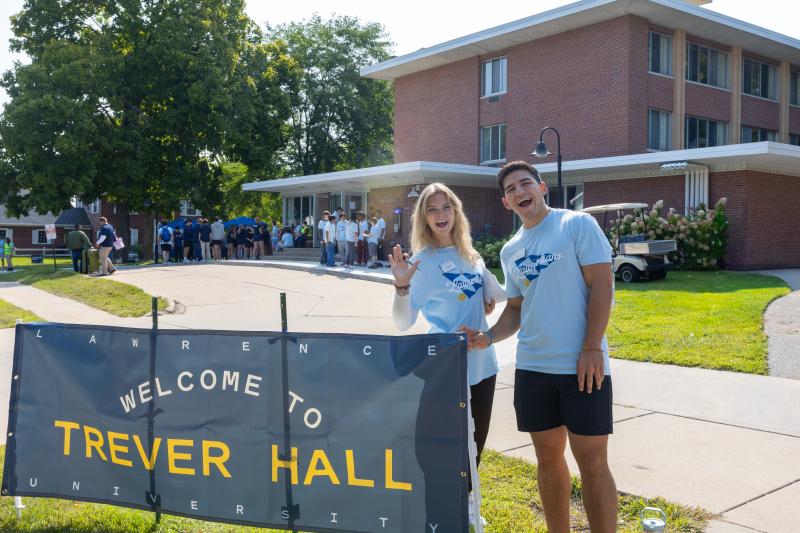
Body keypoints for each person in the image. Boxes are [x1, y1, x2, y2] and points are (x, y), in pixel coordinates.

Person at [462, 161, 617, 533]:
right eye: (512, 189)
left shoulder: (576, 225)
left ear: (542, 188)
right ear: (506, 202)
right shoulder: (511, 249)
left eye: (525, 183)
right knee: (548, 459)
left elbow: (602, 285)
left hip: (583, 365)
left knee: (592, 462)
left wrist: (592, 347)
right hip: (533, 368)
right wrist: (488, 337)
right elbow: (516, 308)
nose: (520, 192)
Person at [389, 182, 504, 530]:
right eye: (432, 209)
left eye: (446, 207)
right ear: (424, 217)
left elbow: (496, 294)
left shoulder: (471, 254)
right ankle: (439, 509)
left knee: (475, 443)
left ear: (456, 211)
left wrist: (490, 294)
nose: (441, 215)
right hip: (443, 368)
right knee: (440, 448)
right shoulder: (421, 262)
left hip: (483, 364)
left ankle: (468, 501)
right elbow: (403, 322)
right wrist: (401, 286)